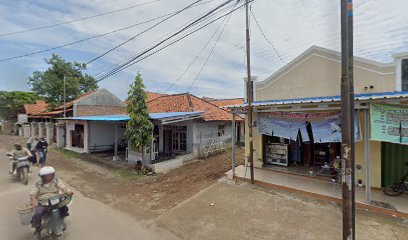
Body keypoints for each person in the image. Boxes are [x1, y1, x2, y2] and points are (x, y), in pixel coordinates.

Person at [30, 166, 73, 239]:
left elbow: (62, 187)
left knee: (64, 207)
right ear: (42, 176)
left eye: (50, 175)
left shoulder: (56, 180)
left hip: (55, 199)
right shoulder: (37, 184)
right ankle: (37, 229)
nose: (49, 177)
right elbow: (32, 194)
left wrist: (68, 191)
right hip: (43, 201)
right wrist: (34, 202)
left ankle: (61, 219)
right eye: (47, 175)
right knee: (37, 213)